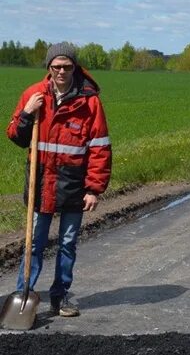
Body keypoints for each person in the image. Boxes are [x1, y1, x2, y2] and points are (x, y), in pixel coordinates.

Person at [7, 42, 112, 317]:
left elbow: (100, 148)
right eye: (56, 67)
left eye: (66, 66)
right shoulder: (34, 95)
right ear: (49, 68)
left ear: (74, 67)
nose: (61, 72)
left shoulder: (89, 102)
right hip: (40, 184)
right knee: (33, 244)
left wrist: (93, 189)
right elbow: (15, 136)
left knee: (67, 244)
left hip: (74, 186)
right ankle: (24, 293)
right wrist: (28, 113)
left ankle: (60, 297)